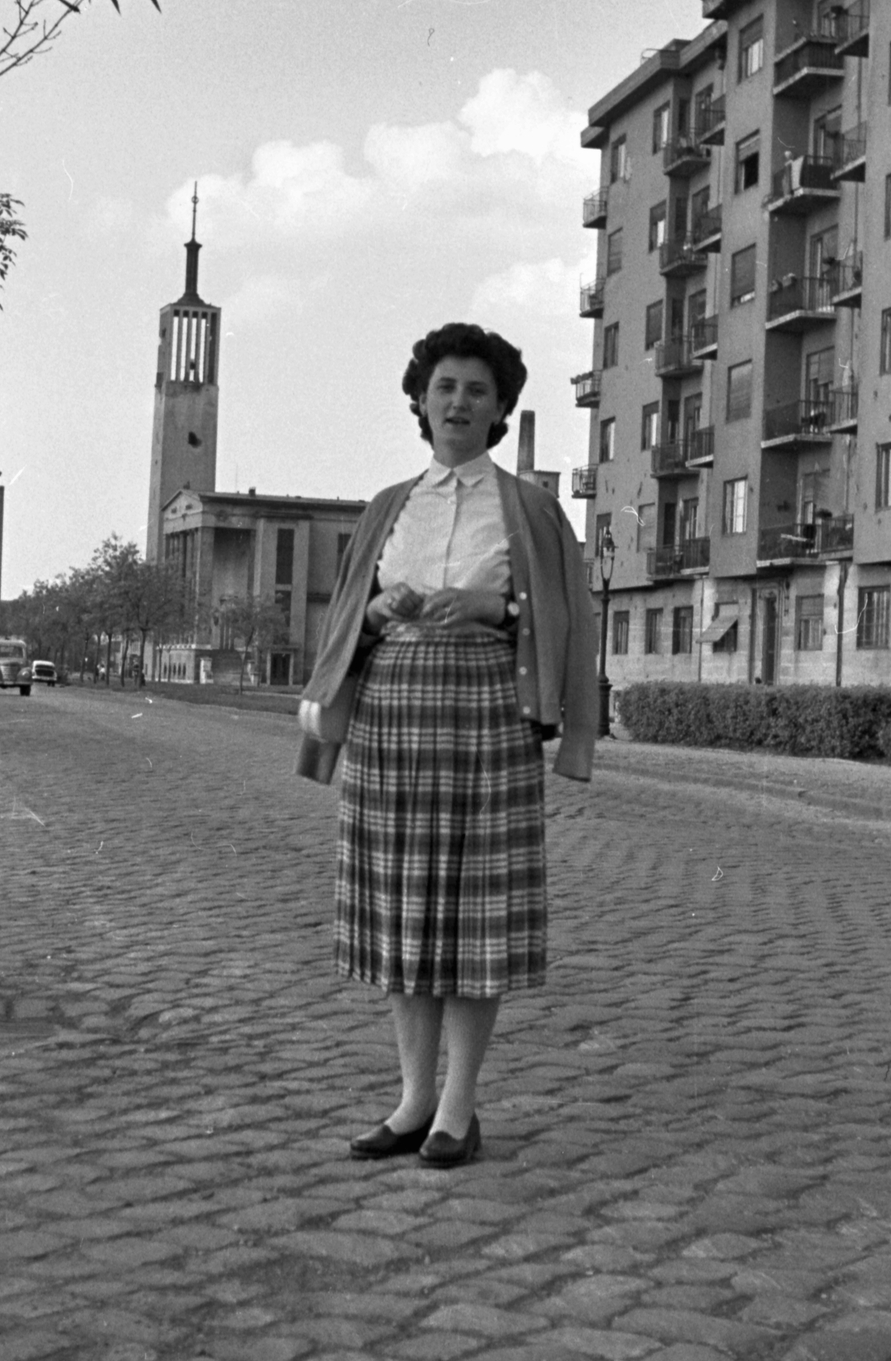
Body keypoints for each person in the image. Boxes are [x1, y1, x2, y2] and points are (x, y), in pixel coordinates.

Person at [297, 323, 598, 1168]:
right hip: (394, 718)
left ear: (500, 408)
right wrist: (376, 615)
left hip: (486, 718)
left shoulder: (532, 509)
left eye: (476, 390)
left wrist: (493, 612)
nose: (458, 402)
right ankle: (411, 1100)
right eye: (443, 388)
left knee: (474, 918)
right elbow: (345, 616)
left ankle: (458, 1112)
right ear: (420, 404)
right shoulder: (390, 505)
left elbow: (567, 620)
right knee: (401, 914)